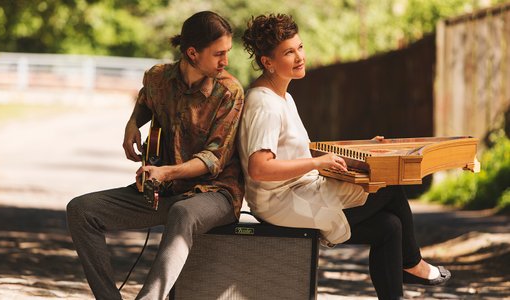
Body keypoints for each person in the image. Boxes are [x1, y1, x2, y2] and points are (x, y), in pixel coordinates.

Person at [238, 13, 450, 300]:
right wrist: (317, 163)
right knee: (389, 186)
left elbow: (298, 149)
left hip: (297, 192)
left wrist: (358, 150)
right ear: (268, 62)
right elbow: (259, 168)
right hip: (281, 202)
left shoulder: (283, 97)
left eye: (300, 47)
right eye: (289, 52)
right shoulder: (264, 104)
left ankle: (402, 277)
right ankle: (412, 264)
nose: (300, 56)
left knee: (389, 227)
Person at [66, 11, 244, 300]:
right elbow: (145, 101)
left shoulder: (229, 91)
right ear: (192, 53)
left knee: (182, 212)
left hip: (216, 194)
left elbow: (213, 159)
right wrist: (132, 124)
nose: (226, 61)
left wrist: (166, 172)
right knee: (81, 210)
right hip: (166, 191)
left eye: (227, 53)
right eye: (219, 54)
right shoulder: (157, 77)